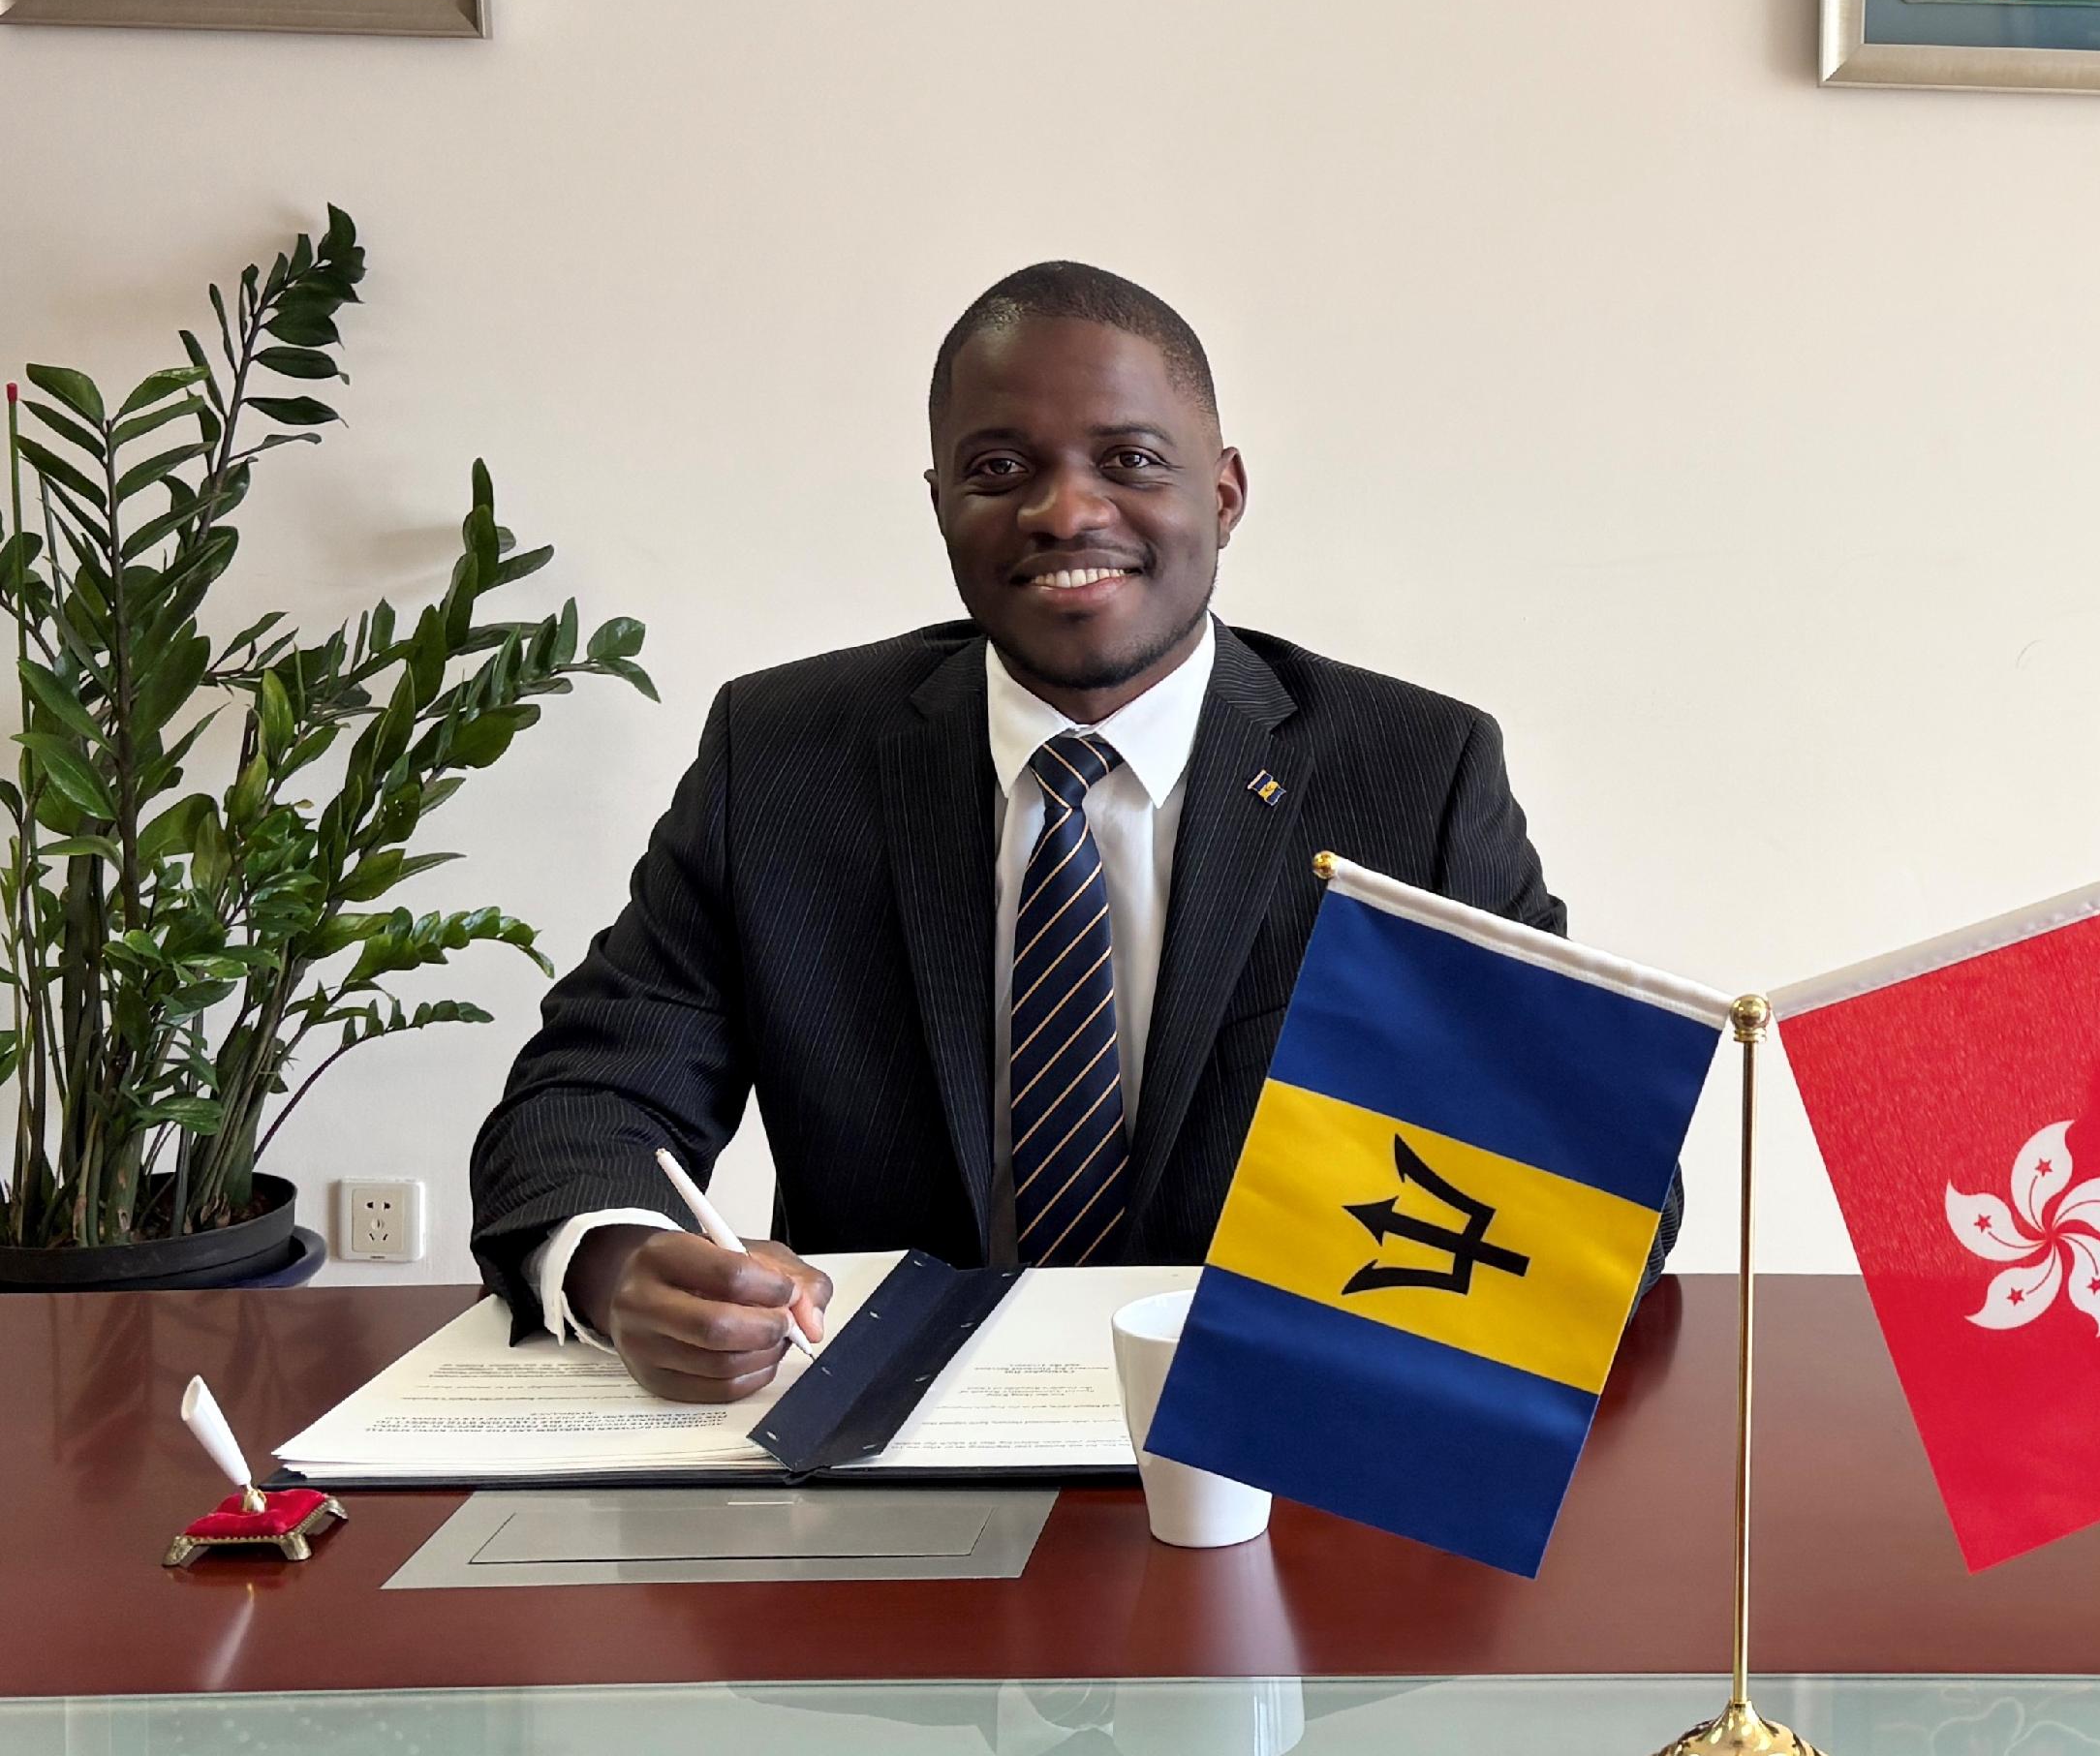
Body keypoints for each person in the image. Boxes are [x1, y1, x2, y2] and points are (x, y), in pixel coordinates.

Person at [468, 261, 1657, 1397]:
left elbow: (1593, 1176)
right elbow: (590, 1093)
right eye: (998, 467)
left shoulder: (1414, 774)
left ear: (1224, 494)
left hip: (1267, 1435)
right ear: (940, 504)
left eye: (1130, 459)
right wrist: (619, 1264)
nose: (1065, 510)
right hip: (879, 1442)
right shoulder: (783, 756)